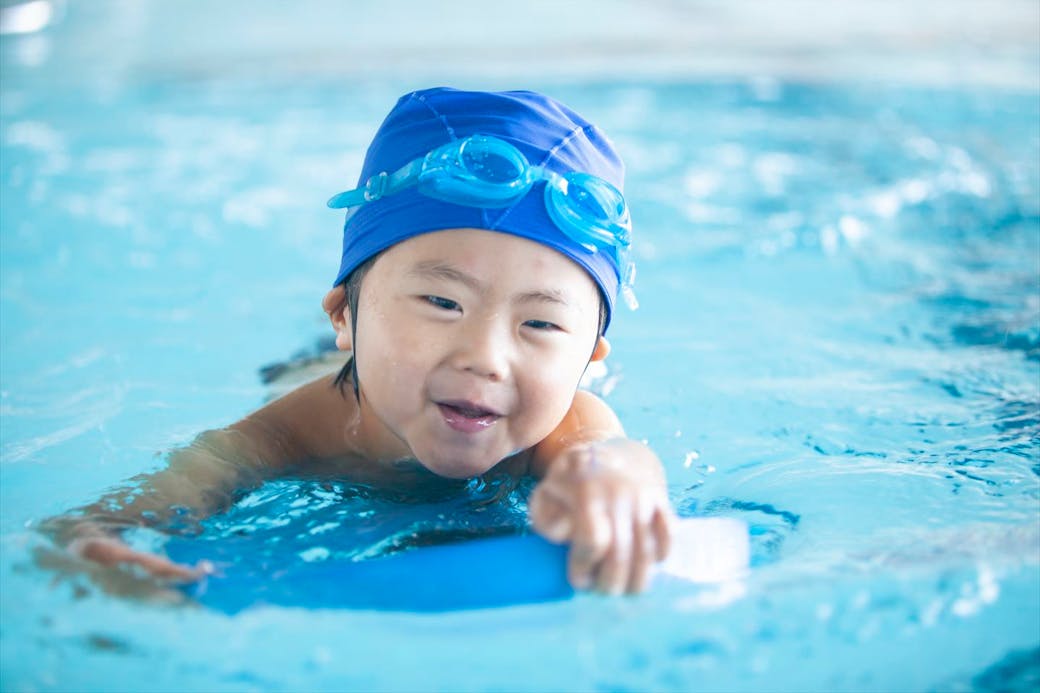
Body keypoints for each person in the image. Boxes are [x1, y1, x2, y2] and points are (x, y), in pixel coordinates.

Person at [44, 87, 675, 596]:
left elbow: (611, 458)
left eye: (540, 324)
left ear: (588, 359)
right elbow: (115, 513)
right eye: (441, 302)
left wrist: (617, 481)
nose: (485, 357)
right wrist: (92, 540)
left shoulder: (565, 425)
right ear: (344, 314)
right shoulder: (293, 434)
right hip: (330, 377)